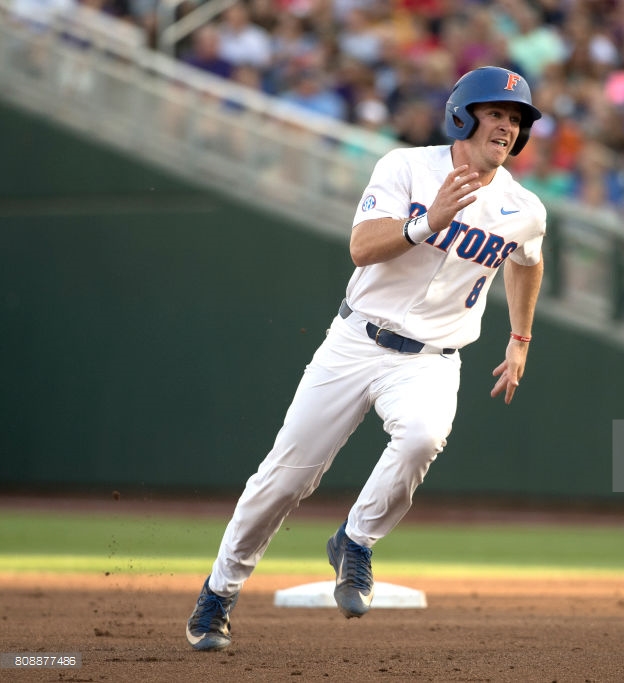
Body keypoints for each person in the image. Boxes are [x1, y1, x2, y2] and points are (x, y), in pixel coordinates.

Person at [186, 65, 546, 651]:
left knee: (423, 437)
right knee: (284, 480)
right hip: (356, 341)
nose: (507, 127)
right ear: (462, 114)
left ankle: (355, 541)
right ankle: (219, 592)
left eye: (517, 120)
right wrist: (430, 221)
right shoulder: (406, 167)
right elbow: (361, 248)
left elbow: (528, 261)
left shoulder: (523, 206)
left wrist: (520, 337)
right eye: (497, 114)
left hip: (432, 358)